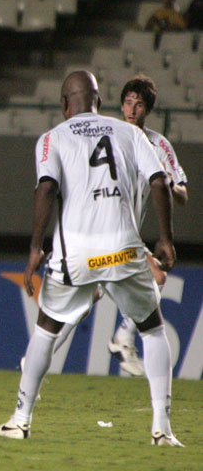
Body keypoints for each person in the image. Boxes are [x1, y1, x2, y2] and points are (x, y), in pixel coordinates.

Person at [0, 71, 183, 446]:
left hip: (77, 255)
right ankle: (162, 429)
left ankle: (20, 420)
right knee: (152, 328)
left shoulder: (52, 139)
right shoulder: (131, 133)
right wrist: (165, 239)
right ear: (98, 101)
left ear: (65, 104)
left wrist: (35, 247)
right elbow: (159, 182)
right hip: (125, 251)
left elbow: (46, 188)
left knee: (46, 331)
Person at [41, 75, 189, 377]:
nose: (132, 109)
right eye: (128, 102)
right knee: (153, 277)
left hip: (123, 235)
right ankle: (122, 339)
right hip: (107, 234)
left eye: (139, 105)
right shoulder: (109, 134)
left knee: (86, 299)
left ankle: (39, 358)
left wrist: (170, 185)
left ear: (148, 110)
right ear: (120, 104)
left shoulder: (158, 145)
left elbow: (182, 192)